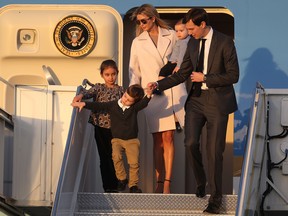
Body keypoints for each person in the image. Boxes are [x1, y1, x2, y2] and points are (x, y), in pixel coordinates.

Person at [148, 8, 239, 214]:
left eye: (191, 29)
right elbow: (183, 74)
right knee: (190, 144)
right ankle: (201, 181)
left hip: (217, 101)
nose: (188, 32)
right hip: (196, 101)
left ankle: (215, 200)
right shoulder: (191, 42)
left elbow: (234, 75)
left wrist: (206, 78)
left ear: (202, 25)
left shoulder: (225, 42)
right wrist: (158, 84)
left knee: (214, 151)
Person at [129, 4, 187, 194]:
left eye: (144, 20)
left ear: (153, 18)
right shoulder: (138, 42)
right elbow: (134, 72)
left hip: (173, 89)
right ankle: (159, 181)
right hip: (152, 93)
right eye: (139, 22)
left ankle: (167, 183)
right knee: (157, 140)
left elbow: (182, 57)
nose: (142, 24)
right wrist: (134, 94)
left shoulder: (170, 35)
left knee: (169, 137)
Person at [71, 84, 153, 193]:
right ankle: (122, 179)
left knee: (133, 163)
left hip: (131, 140)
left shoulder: (134, 108)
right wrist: (84, 104)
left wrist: (149, 95)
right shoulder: (113, 105)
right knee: (116, 157)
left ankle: (133, 185)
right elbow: (99, 105)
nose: (125, 100)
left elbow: (144, 102)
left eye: (129, 100)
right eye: (125, 96)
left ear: (134, 102)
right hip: (117, 140)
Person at [72, 59, 124, 193]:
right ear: (102, 75)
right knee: (104, 157)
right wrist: (80, 95)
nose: (111, 77)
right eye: (107, 74)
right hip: (100, 127)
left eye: (113, 74)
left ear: (117, 73)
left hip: (116, 128)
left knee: (115, 156)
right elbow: (88, 93)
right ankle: (108, 187)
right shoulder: (99, 87)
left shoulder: (121, 90)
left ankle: (118, 183)